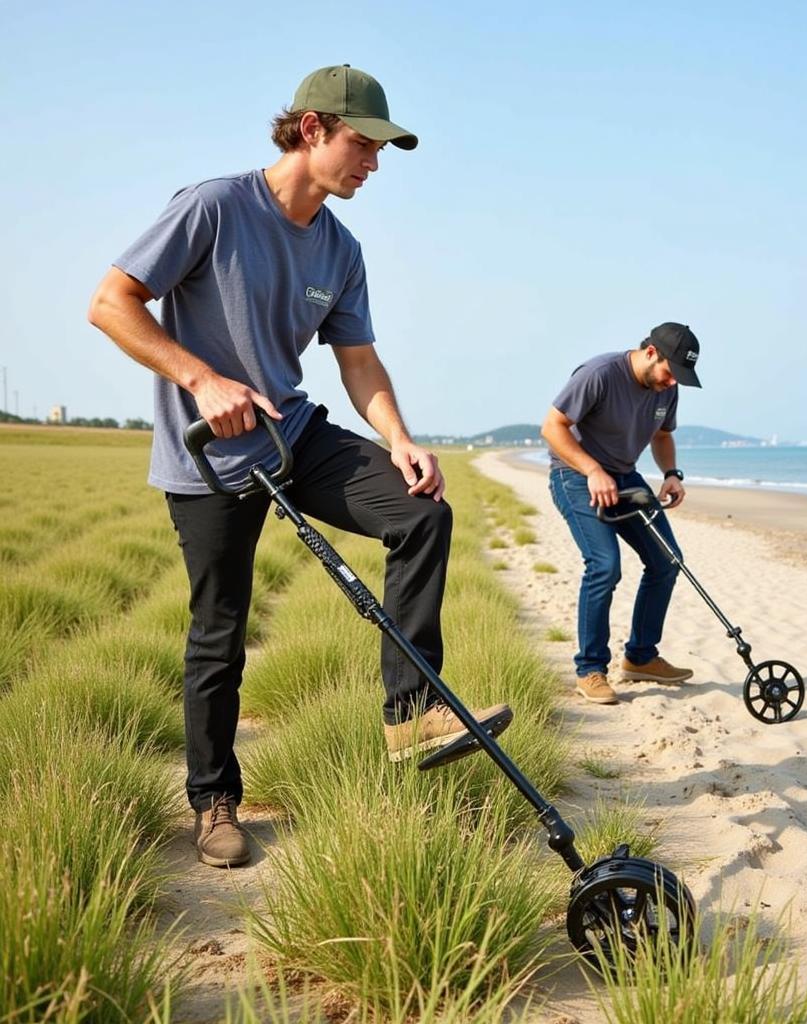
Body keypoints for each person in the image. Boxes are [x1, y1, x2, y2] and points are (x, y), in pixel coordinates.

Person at [88, 64, 506, 868]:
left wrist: (399, 438)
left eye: (381, 151)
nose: (374, 165)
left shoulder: (341, 250)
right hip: (206, 457)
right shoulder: (215, 206)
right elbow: (111, 301)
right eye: (363, 144)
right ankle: (214, 803)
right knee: (222, 632)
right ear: (312, 128)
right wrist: (201, 379)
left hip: (294, 431)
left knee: (422, 512)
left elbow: (358, 362)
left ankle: (410, 714)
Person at [541, 323, 703, 705]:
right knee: (604, 565)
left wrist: (670, 474)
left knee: (667, 560)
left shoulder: (668, 387)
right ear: (650, 353)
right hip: (575, 475)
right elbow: (552, 427)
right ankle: (590, 670)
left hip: (625, 476)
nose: (671, 383)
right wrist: (592, 470)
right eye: (669, 372)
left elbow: (662, 435)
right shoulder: (599, 374)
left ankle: (641, 658)